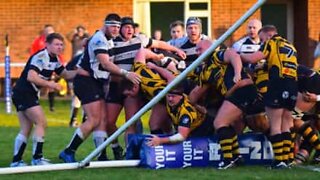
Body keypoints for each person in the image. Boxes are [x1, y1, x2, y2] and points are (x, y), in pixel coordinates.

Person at [59, 13, 141, 163]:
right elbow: (105, 64)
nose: (116, 29)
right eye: (113, 26)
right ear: (105, 24)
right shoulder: (100, 39)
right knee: (94, 120)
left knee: (103, 120)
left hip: (96, 82)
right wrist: (126, 74)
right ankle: (68, 150)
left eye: (118, 26)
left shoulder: (105, 39)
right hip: (87, 82)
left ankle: (103, 154)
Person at [105, 17, 186, 159]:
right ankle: (116, 148)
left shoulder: (139, 40)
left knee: (131, 121)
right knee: (109, 122)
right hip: (117, 84)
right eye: (126, 27)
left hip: (135, 85)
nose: (129, 29)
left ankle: (131, 153)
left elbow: (159, 43)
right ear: (120, 29)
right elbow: (106, 64)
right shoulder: (112, 43)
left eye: (131, 27)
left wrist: (175, 50)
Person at [189, 39, 258, 169]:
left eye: (200, 49)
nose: (197, 52)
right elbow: (195, 94)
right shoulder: (205, 71)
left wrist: (237, 73)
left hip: (242, 89)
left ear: (210, 48)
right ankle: (236, 157)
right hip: (234, 94)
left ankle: (228, 160)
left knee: (219, 123)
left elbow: (234, 55)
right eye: (196, 50)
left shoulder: (217, 55)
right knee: (225, 124)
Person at [10, 33, 76, 167]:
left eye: (61, 44)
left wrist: (82, 72)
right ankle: (37, 159)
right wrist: (51, 84)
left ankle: (16, 161)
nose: (60, 47)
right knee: (41, 122)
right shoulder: (41, 56)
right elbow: (31, 77)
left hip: (23, 93)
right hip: (24, 92)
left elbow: (66, 74)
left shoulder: (55, 59)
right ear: (47, 44)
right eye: (56, 44)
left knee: (26, 128)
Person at [241, 25, 298, 169]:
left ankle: (279, 161)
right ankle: (287, 160)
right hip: (292, 85)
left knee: (275, 124)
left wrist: (238, 55)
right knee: (286, 124)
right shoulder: (290, 45)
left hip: (278, 83)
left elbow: (253, 58)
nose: (261, 43)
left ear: (268, 35)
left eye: (261, 39)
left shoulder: (271, 42)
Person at [146, 68, 213, 147]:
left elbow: (181, 136)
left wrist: (160, 140)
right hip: (187, 129)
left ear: (180, 97)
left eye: (173, 96)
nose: (170, 99)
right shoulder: (169, 101)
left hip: (203, 131)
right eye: (169, 96)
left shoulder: (185, 111)